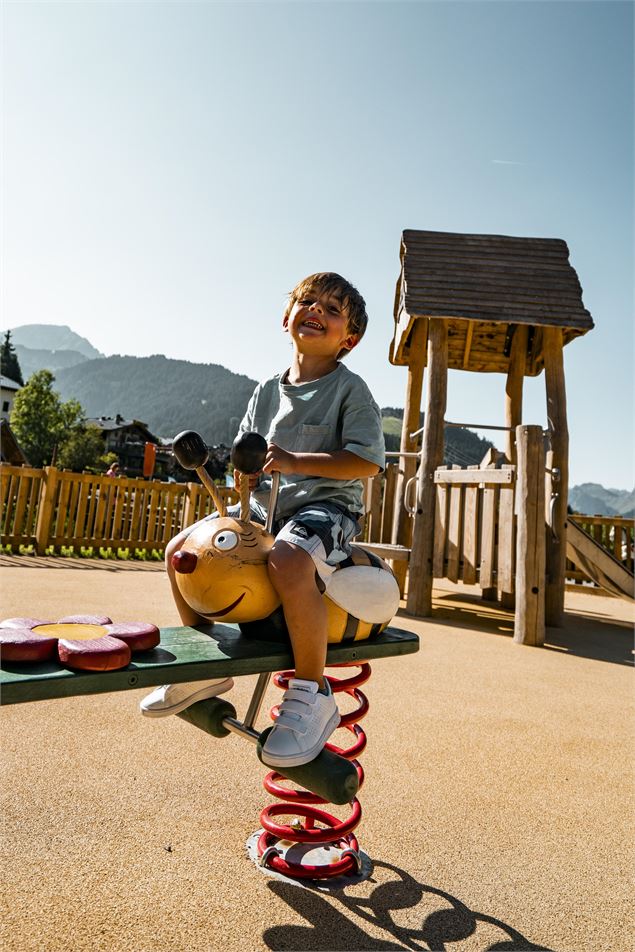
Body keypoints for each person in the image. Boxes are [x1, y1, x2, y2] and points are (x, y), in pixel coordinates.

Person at [140, 272, 385, 768]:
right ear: (286, 317)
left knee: (290, 559)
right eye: (307, 301)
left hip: (327, 508)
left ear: (349, 339)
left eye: (332, 309)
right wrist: (243, 488)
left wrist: (294, 460)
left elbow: (366, 462)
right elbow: (249, 459)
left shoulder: (350, 389)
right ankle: (202, 661)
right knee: (181, 551)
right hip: (264, 505)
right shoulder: (265, 391)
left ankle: (313, 692)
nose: (316, 310)